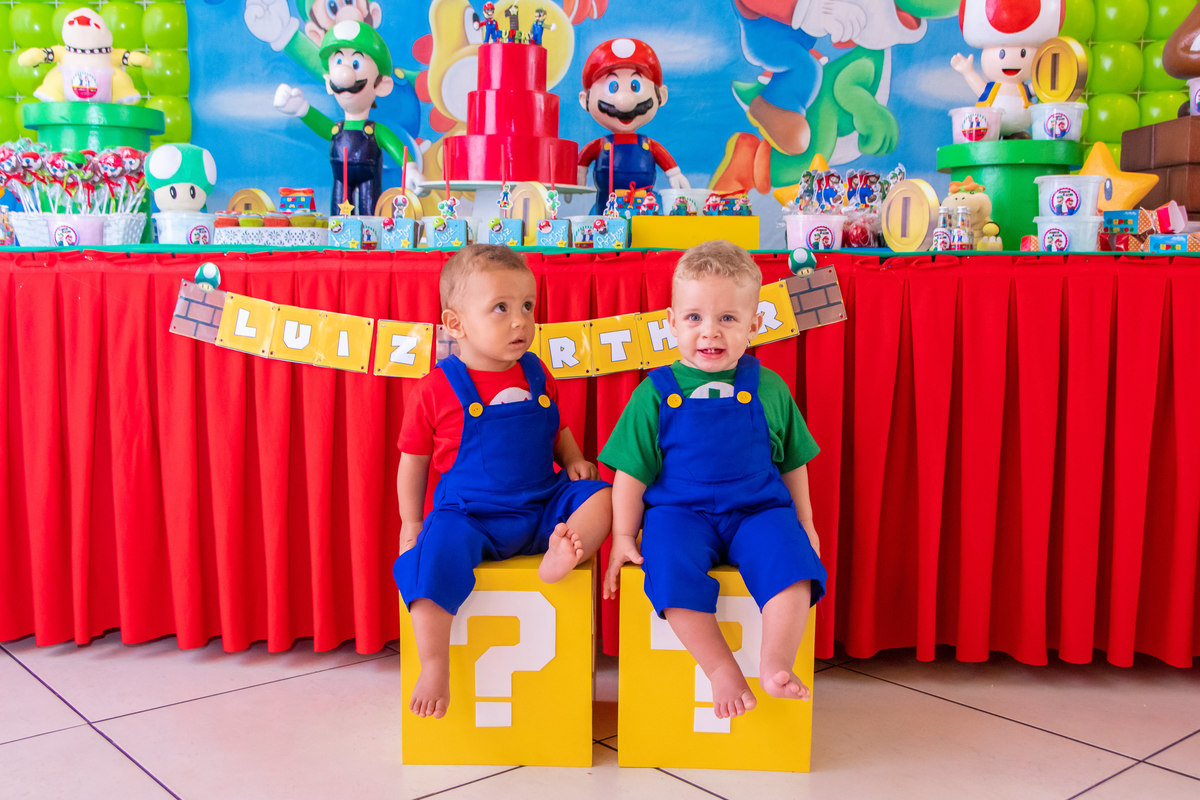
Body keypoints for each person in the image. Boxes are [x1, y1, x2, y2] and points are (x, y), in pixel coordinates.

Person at [601, 239, 826, 720]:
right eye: (695, 318)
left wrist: (806, 523)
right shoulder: (654, 394)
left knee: (794, 566)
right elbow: (630, 474)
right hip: (680, 515)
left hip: (758, 512)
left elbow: (793, 463)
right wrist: (622, 535)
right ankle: (720, 667)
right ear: (672, 322)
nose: (711, 333)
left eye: (727, 318)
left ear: (754, 324)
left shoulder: (770, 388)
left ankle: (774, 663)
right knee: (667, 569)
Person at [393, 244, 613, 719]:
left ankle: (566, 551)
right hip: (471, 514)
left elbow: (557, 425)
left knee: (603, 496)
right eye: (501, 308)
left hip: (541, 505)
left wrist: (572, 458)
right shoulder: (436, 388)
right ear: (456, 324)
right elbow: (413, 460)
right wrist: (411, 523)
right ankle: (433, 663)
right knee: (431, 562)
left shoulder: (537, 372)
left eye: (527, 307)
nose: (520, 321)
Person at [273, 21, 422, 215]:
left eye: (356, 64)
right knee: (339, 215)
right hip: (340, 178)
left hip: (370, 178)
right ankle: (339, 240)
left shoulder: (375, 131)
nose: (345, 74)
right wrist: (302, 109)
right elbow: (324, 128)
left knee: (370, 213)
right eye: (339, 62)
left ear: (381, 85)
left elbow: (394, 144)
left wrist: (410, 168)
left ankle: (371, 240)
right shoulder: (337, 129)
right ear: (329, 82)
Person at [576, 38, 690, 215]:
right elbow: (584, 157)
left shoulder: (648, 144)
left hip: (644, 204)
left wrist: (674, 174)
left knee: (644, 227)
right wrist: (579, 172)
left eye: (635, 86)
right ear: (585, 100)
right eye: (613, 87)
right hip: (606, 205)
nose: (624, 101)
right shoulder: (599, 145)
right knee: (603, 225)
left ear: (661, 95)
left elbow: (662, 156)